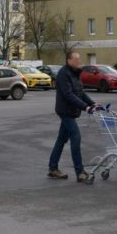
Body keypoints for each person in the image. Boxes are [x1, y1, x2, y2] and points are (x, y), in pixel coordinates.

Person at [48, 51, 99, 182]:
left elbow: (80, 92)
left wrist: (93, 104)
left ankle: (53, 168)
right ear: (68, 60)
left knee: (61, 139)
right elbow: (68, 95)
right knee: (76, 137)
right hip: (65, 111)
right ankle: (80, 171)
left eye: (79, 59)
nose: (79, 62)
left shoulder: (75, 74)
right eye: (76, 60)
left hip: (71, 111)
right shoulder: (63, 74)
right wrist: (85, 107)